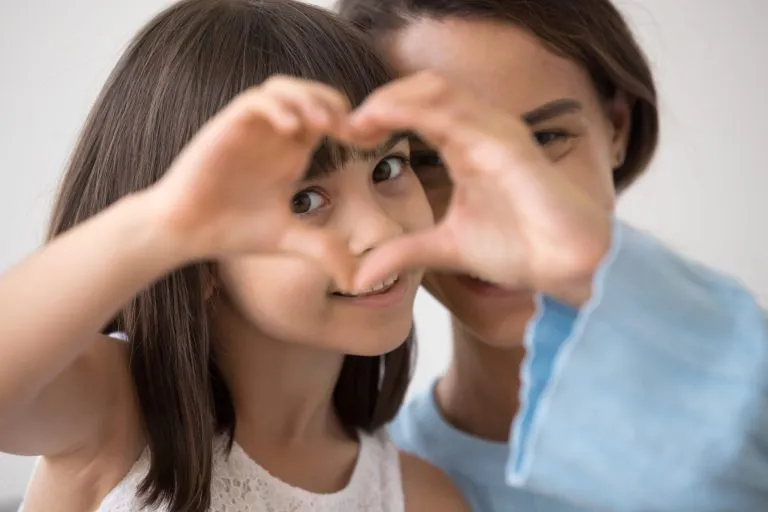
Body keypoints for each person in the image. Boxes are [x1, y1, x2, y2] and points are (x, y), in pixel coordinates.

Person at [0, 1, 470, 511]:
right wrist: (162, 227)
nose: (381, 229)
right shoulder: (113, 413)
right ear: (199, 253)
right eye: (304, 200)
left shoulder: (420, 497)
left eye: (386, 169)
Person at [336, 0, 768, 510]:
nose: (499, 216)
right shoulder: (374, 492)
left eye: (544, 139)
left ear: (617, 128)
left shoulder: (749, 399)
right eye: (427, 159)